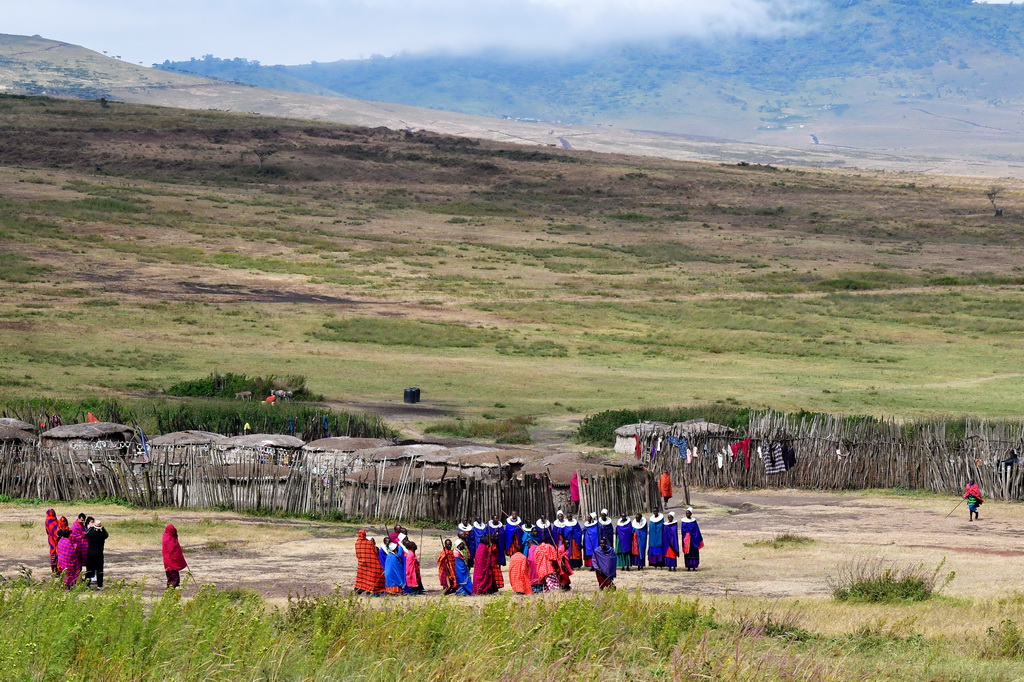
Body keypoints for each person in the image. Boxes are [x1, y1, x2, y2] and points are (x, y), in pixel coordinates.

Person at [354, 530, 386, 595]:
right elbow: (375, 552)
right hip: (371, 563)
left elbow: (357, 554)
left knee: (361, 577)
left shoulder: (357, 543)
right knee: (375, 575)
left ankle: (359, 589)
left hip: (362, 563)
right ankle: (373, 589)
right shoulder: (369, 543)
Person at [84, 517, 108, 589]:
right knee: (99, 569)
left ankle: (87, 584)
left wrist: (91, 527)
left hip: (90, 552)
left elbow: (86, 534)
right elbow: (106, 534)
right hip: (99, 553)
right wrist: (102, 528)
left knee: (89, 569)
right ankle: (99, 585)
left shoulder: (91, 533)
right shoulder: (102, 534)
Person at [162, 524, 188, 588]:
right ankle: (170, 591)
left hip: (167, 561)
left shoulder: (166, 536)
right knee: (174, 579)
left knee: (171, 577)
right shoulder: (169, 538)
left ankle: (170, 591)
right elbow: (172, 549)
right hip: (171, 561)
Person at [44, 509, 60, 575]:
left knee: (53, 553)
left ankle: (54, 570)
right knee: (56, 554)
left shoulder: (47, 521)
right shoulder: (55, 521)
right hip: (55, 539)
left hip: (51, 539)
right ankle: (56, 570)